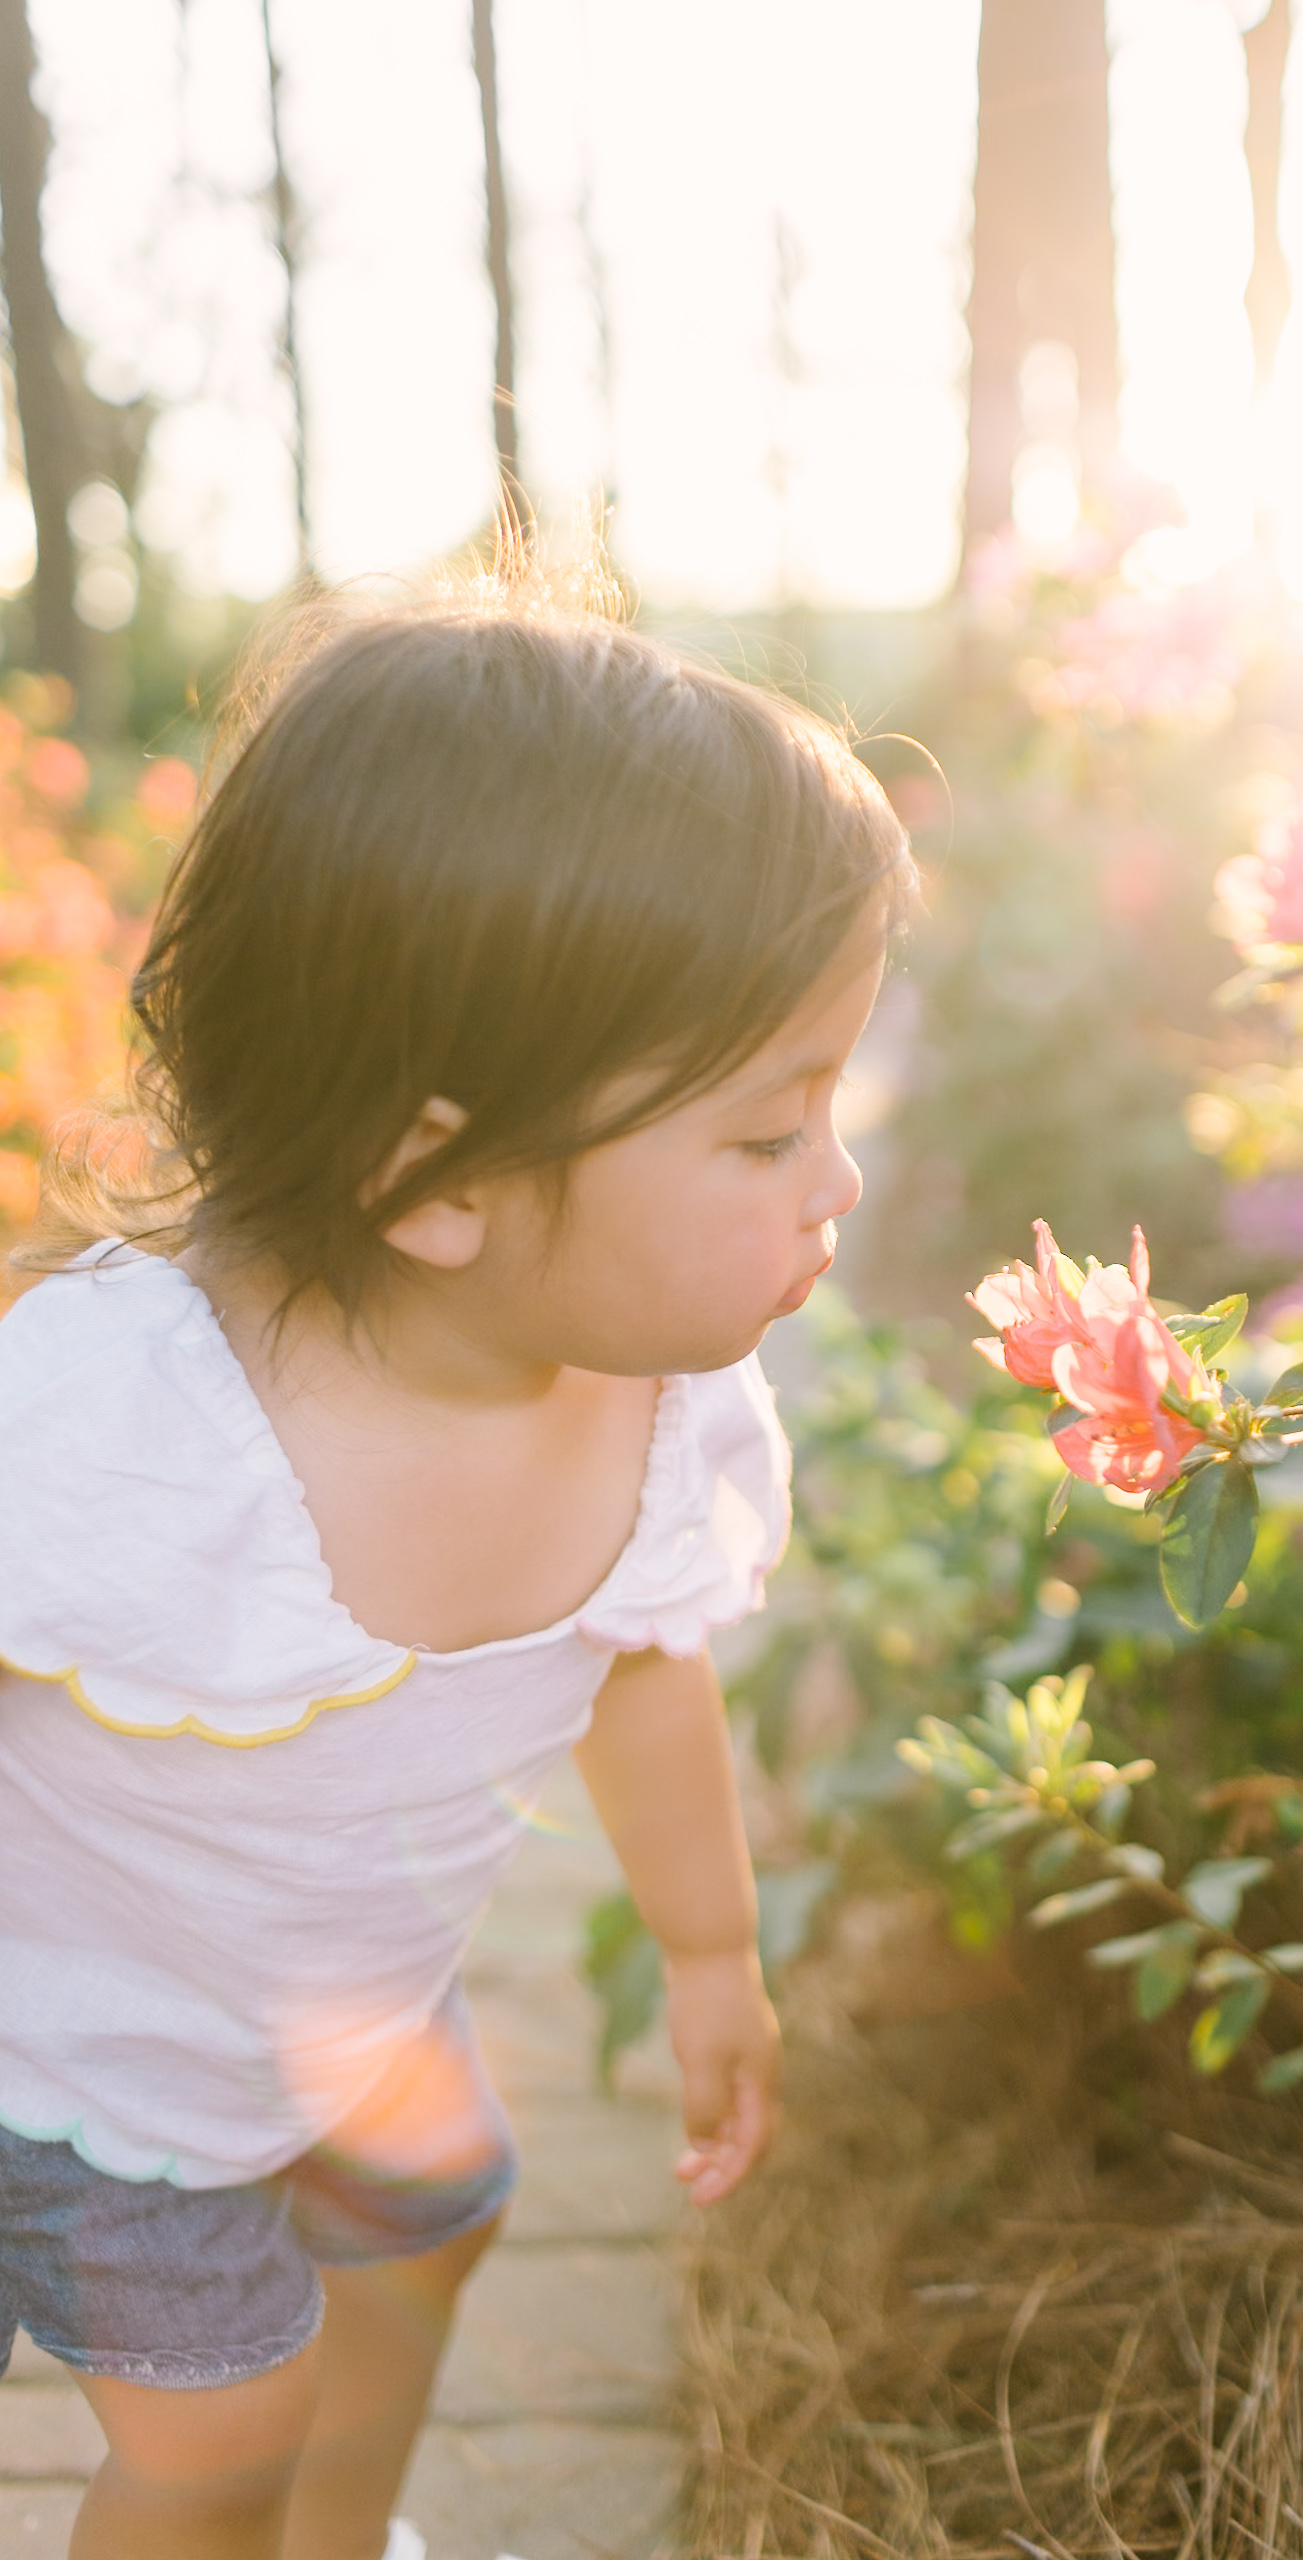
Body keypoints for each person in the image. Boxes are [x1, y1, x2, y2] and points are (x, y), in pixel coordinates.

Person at [0, 579, 912, 2560]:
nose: (835, 1178)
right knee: (213, 2422)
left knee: (437, 2217)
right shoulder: (114, 1423)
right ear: (440, 1186)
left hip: (361, 2023)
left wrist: (705, 1947)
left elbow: (643, 1665)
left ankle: (338, 2535)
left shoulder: (667, 1411)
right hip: (91, 2070)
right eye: (769, 1130)